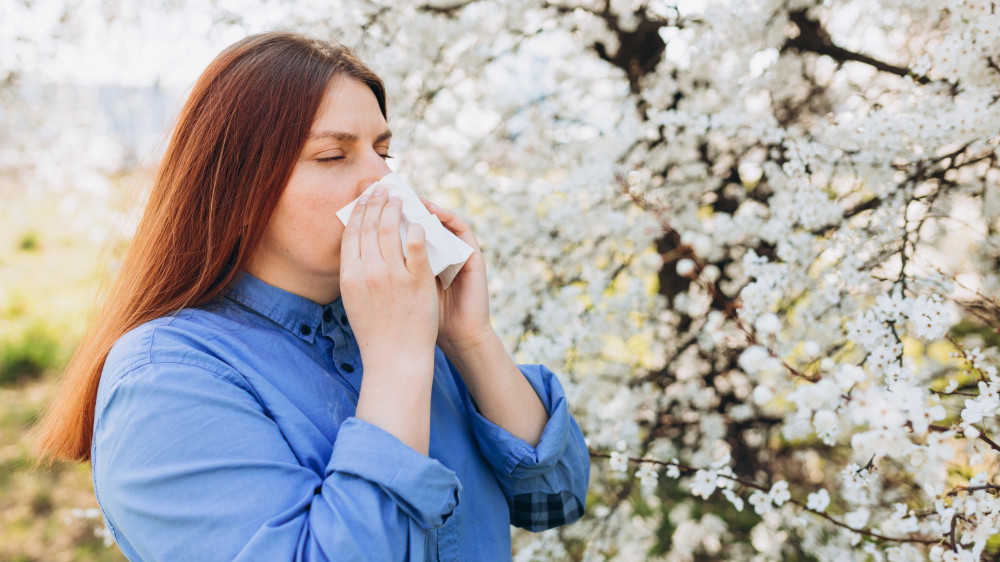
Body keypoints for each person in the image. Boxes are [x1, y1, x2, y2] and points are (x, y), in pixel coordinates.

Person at [33, 32, 589, 560]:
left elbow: (555, 499)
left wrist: (470, 338)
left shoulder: (406, 322)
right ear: (239, 186)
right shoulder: (167, 378)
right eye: (333, 156)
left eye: (383, 153)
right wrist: (397, 360)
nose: (381, 180)